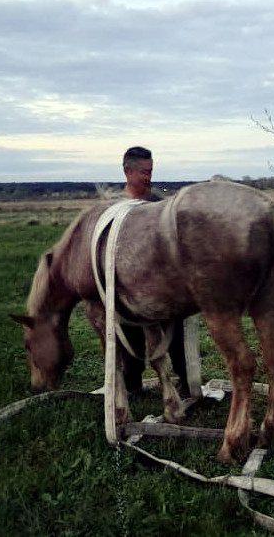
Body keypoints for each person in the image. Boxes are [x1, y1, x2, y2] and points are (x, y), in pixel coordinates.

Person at [119, 146, 191, 396]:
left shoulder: (161, 205)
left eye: (150, 171)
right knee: (130, 338)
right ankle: (133, 387)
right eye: (143, 172)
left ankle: (185, 381)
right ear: (127, 171)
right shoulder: (117, 209)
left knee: (175, 336)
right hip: (129, 288)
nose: (148, 177)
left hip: (164, 285)